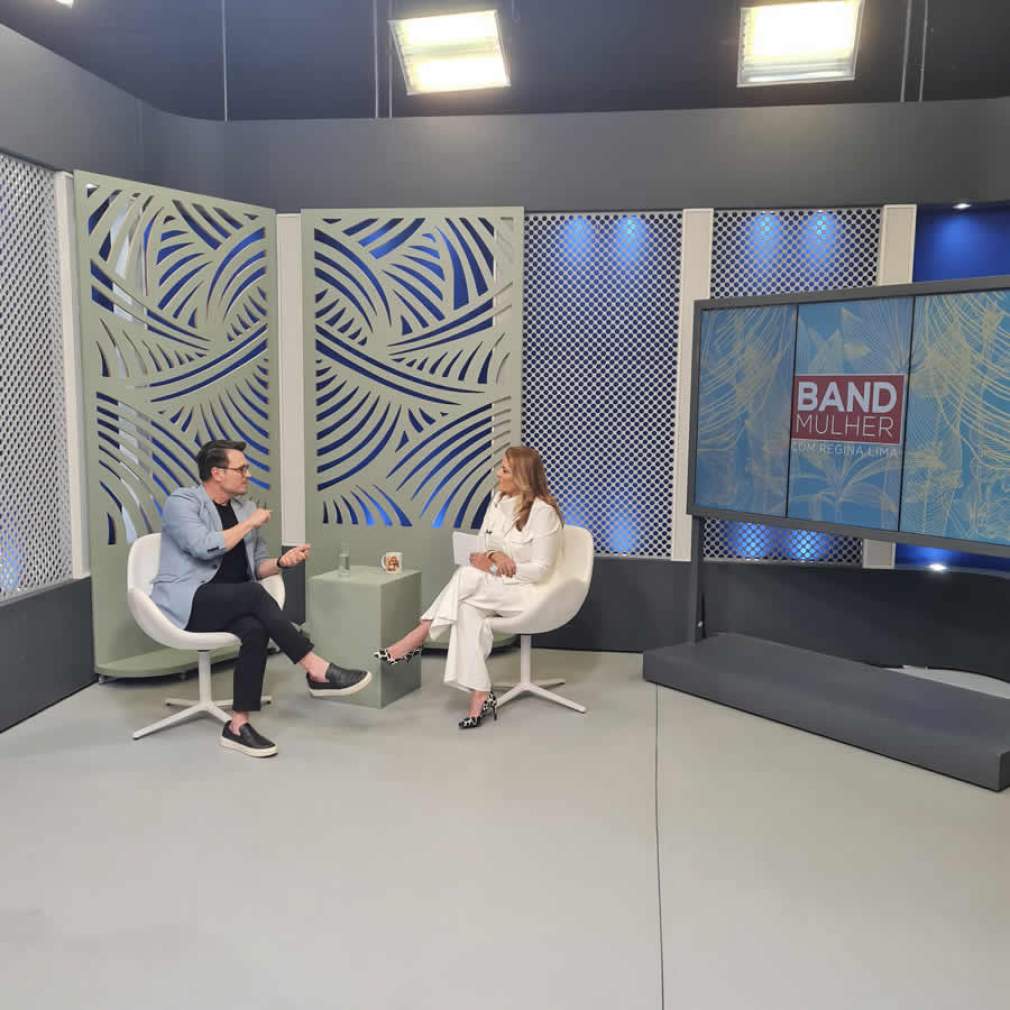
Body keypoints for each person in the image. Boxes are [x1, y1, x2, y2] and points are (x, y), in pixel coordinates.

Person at [151, 439, 370, 758]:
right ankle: (315, 668)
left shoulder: (244, 508)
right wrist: (250, 523)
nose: (248, 475)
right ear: (217, 473)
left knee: (255, 629)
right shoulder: (182, 502)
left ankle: (238, 725)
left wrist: (282, 562)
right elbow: (202, 546)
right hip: (190, 602)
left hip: (233, 599)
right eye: (241, 469)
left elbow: (257, 566)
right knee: (254, 594)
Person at [375, 446, 563, 729]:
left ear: (522, 477)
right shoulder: (497, 500)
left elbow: (541, 570)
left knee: (466, 577)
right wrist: (494, 557)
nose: (497, 474)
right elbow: (483, 545)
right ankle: (480, 694)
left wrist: (498, 566)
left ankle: (418, 636)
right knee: (465, 608)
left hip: (530, 594)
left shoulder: (543, 513)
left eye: (504, 470)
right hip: (496, 588)